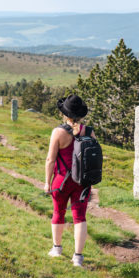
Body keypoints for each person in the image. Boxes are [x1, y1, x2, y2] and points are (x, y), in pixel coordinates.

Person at [43, 94, 92, 268]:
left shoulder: (58, 132)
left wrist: (47, 182)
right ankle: (78, 257)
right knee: (80, 217)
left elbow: (50, 159)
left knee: (58, 212)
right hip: (82, 182)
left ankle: (57, 249)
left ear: (65, 114)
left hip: (61, 180)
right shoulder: (89, 131)